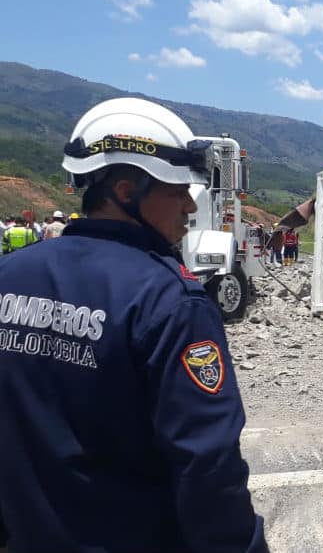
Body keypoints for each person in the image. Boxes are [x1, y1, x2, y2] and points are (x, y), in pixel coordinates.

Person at [0, 97, 267, 552]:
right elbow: (207, 465)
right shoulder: (169, 302)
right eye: (176, 189)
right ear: (126, 191)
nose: (188, 205)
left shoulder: (10, 277)